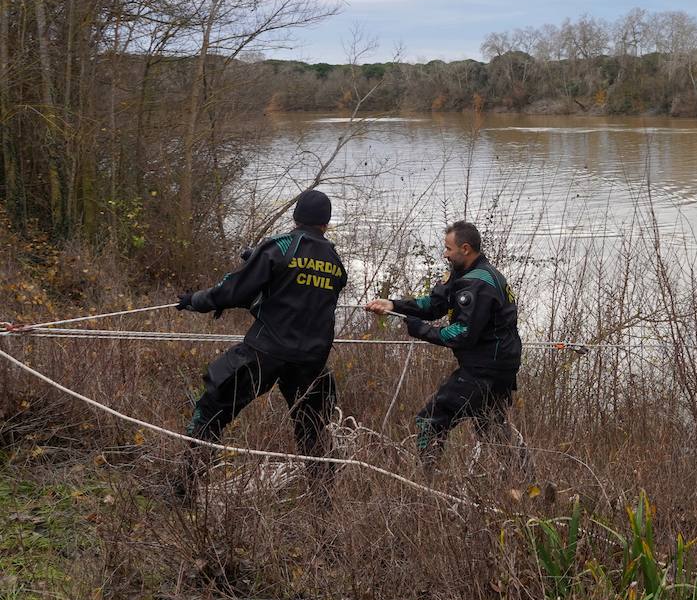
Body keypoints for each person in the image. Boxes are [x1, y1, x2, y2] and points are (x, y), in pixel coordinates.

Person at [174, 189, 346, 498]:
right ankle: (324, 506)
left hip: (265, 352)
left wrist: (194, 301)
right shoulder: (335, 260)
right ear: (326, 223)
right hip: (311, 361)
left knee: (211, 408)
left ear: (296, 217)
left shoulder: (280, 247)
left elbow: (234, 290)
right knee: (313, 430)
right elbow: (305, 300)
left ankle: (185, 489)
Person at [366, 220, 525, 474]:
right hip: (496, 367)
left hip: (485, 370)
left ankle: (426, 479)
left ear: (465, 248)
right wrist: (394, 306)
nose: (445, 253)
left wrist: (421, 330)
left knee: (430, 420)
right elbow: (434, 304)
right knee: (492, 427)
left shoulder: (478, 284)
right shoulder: (462, 274)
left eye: (448, 249)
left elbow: (462, 333)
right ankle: (524, 480)